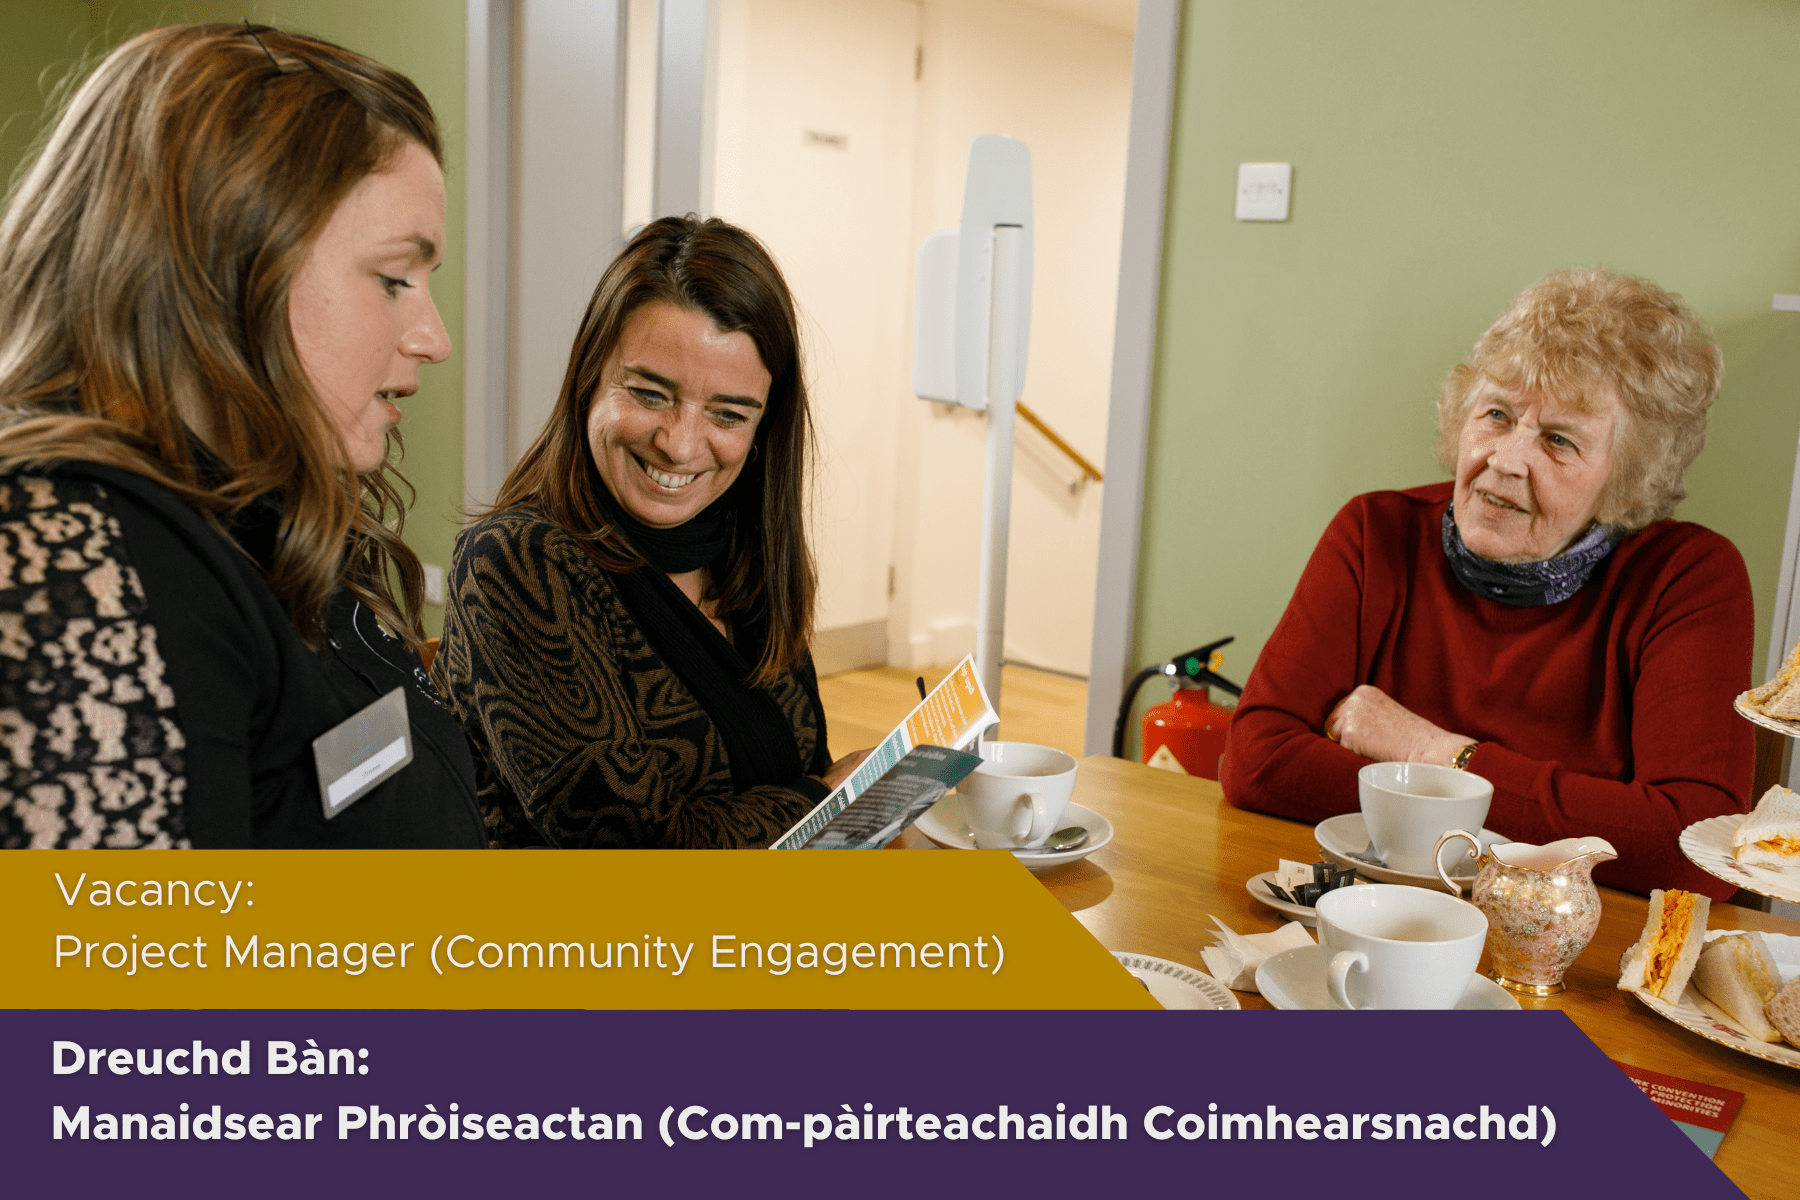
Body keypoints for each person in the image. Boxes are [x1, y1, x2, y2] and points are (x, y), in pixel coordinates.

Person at [0, 24, 485, 848]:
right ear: (223, 264)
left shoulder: (278, 509)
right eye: (394, 278)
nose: (434, 338)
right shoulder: (71, 567)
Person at [1219, 267, 1752, 899]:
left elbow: (1691, 848)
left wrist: (1431, 751)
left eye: (1558, 441)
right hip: (1372, 913)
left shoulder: (1687, 579)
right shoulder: (1374, 534)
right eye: (1496, 414)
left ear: (1627, 473)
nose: (1504, 460)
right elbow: (1257, 763)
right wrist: (1571, 812)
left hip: (1567, 950)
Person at [433, 216, 868, 847]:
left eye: (727, 413)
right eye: (651, 394)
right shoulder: (516, 564)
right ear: (589, 379)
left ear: (763, 428)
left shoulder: (744, 546)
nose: (681, 444)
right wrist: (826, 800)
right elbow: (631, 852)